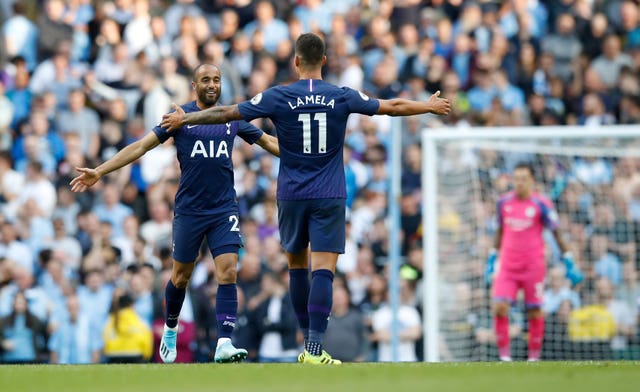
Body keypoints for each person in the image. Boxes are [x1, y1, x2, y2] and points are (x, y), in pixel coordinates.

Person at [161, 33, 451, 364]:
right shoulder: (341, 95)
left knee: (297, 268)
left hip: (292, 194)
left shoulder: (277, 95)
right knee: (324, 271)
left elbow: (227, 114)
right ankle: (313, 347)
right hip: (329, 192)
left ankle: (307, 347)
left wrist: (187, 118)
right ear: (324, 60)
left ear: (295, 61)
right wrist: (427, 106)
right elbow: (391, 106)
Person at [70, 63, 280, 364]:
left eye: (217, 79)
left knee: (228, 270)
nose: (212, 84)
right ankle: (171, 326)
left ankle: (224, 342)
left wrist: (306, 156)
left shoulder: (232, 117)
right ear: (194, 85)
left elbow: (267, 141)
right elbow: (141, 146)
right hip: (189, 211)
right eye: (205, 79)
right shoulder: (179, 118)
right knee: (181, 276)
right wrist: (100, 171)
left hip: (223, 209)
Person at [484, 162, 583, 362]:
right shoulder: (503, 203)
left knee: (535, 310)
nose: (518, 183)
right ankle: (504, 357)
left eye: (523, 179)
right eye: (516, 178)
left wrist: (569, 262)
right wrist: (493, 258)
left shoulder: (541, 204)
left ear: (532, 181)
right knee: (499, 306)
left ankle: (534, 358)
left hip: (533, 267)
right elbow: (499, 232)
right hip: (508, 267)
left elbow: (556, 234)